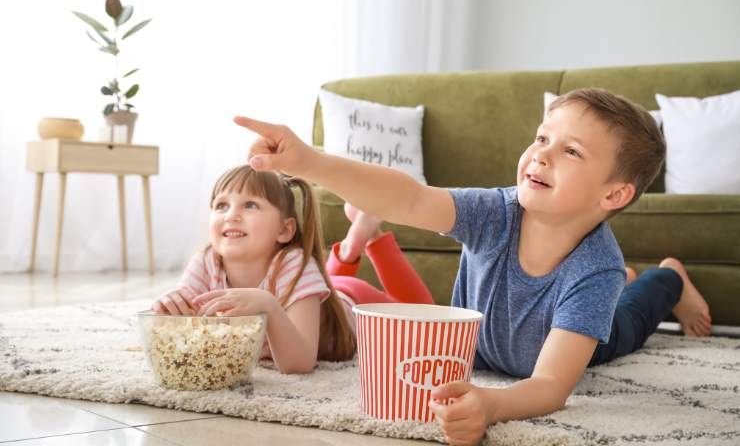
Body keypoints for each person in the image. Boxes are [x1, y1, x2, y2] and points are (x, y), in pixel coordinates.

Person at [233, 87, 712, 445]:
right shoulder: (495, 212)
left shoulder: (596, 268)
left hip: (568, 342)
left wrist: (492, 403)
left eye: (570, 151)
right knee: (613, 304)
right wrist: (311, 163)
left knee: (631, 319)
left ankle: (669, 276)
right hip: (488, 350)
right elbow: (410, 198)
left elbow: (549, 386)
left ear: (614, 195)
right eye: (543, 137)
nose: (541, 153)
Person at [151, 165, 434, 374]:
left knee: (426, 317)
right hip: (326, 290)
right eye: (221, 205)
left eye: (250, 205)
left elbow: (298, 364)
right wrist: (171, 305)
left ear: (285, 230)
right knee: (328, 283)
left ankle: (368, 240)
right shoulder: (205, 260)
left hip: (354, 301)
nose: (232, 214)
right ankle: (350, 247)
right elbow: (183, 332)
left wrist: (270, 307)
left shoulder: (295, 263)